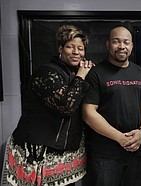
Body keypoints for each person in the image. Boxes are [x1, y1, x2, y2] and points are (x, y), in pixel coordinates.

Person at [5, 24, 95, 186]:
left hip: (64, 152)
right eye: (70, 47)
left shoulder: (74, 73)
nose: (76, 52)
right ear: (60, 49)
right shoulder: (46, 73)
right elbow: (67, 106)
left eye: (80, 48)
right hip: (39, 152)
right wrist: (81, 76)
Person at [82, 26, 141, 186]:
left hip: (136, 150)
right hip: (106, 155)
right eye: (116, 41)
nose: (122, 46)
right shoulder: (96, 73)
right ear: (108, 44)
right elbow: (88, 113)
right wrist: (120, 138)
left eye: (126, 42)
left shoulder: (139, 71)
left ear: (132, 46)